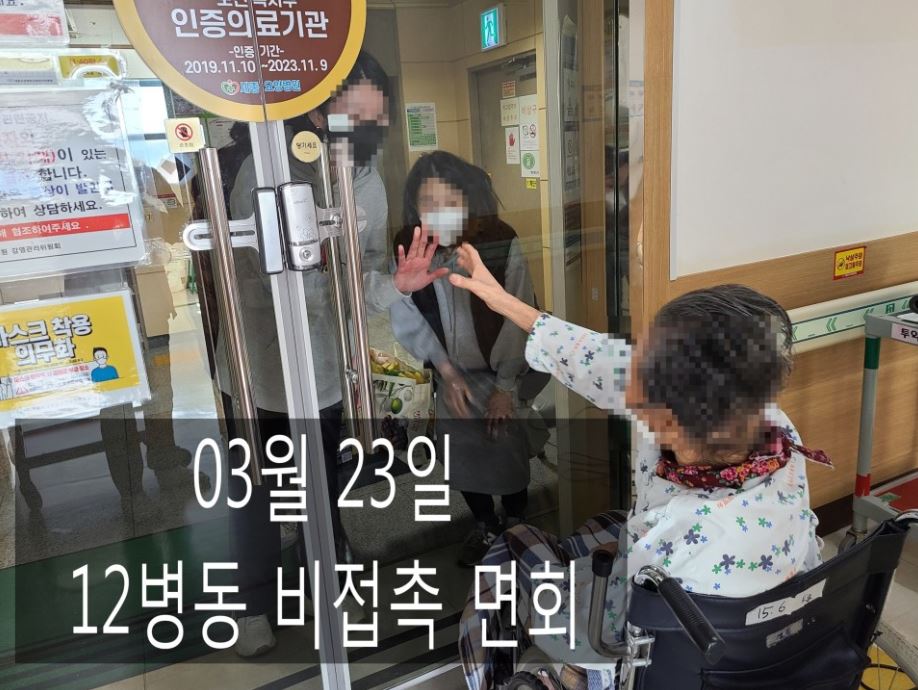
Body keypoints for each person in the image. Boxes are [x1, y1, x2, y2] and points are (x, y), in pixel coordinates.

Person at [449, 246, 832, 689]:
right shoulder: (772, 429)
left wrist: (554, 614)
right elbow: (602, 361)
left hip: (630, 648)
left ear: (667, 418)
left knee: (511, 548)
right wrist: (507, 304)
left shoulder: (670, 539)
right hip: (759, 643)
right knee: (602, 527)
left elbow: (598, 633)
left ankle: (493, 680)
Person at [223, 51, 446, 657]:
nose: (370, 130)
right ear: (320, 112)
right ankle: (253, 604)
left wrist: (393, 284)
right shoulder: (266, 167)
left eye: (378, 117)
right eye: (358, 116)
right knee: (260, 489)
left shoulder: (366, 180)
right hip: (263, 364)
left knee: (321, 477)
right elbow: (263, 271)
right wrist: (327, 266)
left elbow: (362, 277)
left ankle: (330, 575)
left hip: (325, 362)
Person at [389, 151, 539, 567]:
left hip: (500, 371)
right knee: (464, 459)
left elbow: (518, 312)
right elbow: (406, 314)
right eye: (428, 202)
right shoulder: (411, 246)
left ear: (468, 200)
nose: (439, 212)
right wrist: (446, 371)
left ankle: (516, 523)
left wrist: (506, 386)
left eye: (450, 201)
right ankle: (485, 525)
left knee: (507, 453)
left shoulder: (499, 239)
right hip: (451, 374)